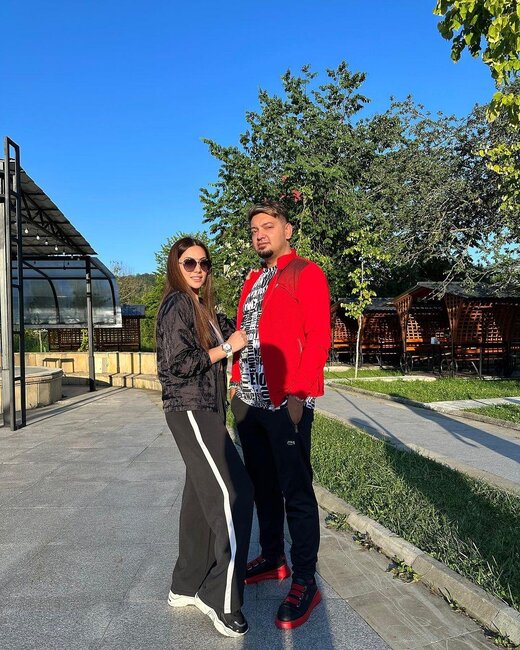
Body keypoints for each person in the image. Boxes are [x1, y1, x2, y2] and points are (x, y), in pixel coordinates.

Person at [230, 201, 331, 630]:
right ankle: (273, 557)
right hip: (249, 403)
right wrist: (236, 383)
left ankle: (305, 579)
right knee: (263, 487)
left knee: (296, 491)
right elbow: (245, 335)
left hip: (286, 401)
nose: (260, 234)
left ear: (287, 230)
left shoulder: (306, 273)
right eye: (254, 229)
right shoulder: (253, 279)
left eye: (268, 226)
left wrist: (298, 394)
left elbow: (319, 335)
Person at [156, 237, 253, 638]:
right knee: (234, 494)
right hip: (191, 408)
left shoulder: (203, 307)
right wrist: (227, 348)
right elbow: (178, 363)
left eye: (204, 263)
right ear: (176, 266)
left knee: (200, 497)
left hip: (207, 408)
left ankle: (185, 584)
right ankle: (221, 597)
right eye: (189, 263)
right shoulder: (177, 304)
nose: (198, 269)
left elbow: (240, 332)